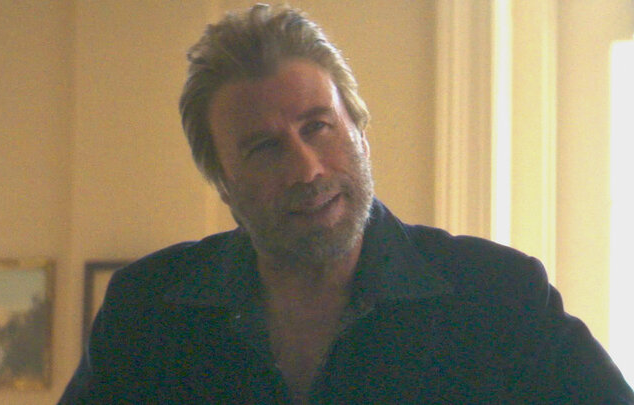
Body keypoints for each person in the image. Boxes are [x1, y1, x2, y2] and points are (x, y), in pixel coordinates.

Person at [60, 4, 634, 404]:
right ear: (223, 183)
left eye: (319, 126)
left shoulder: (498, 297)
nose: (307, 169)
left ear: (361, 130)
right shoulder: (148, 315)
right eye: (264, 148)